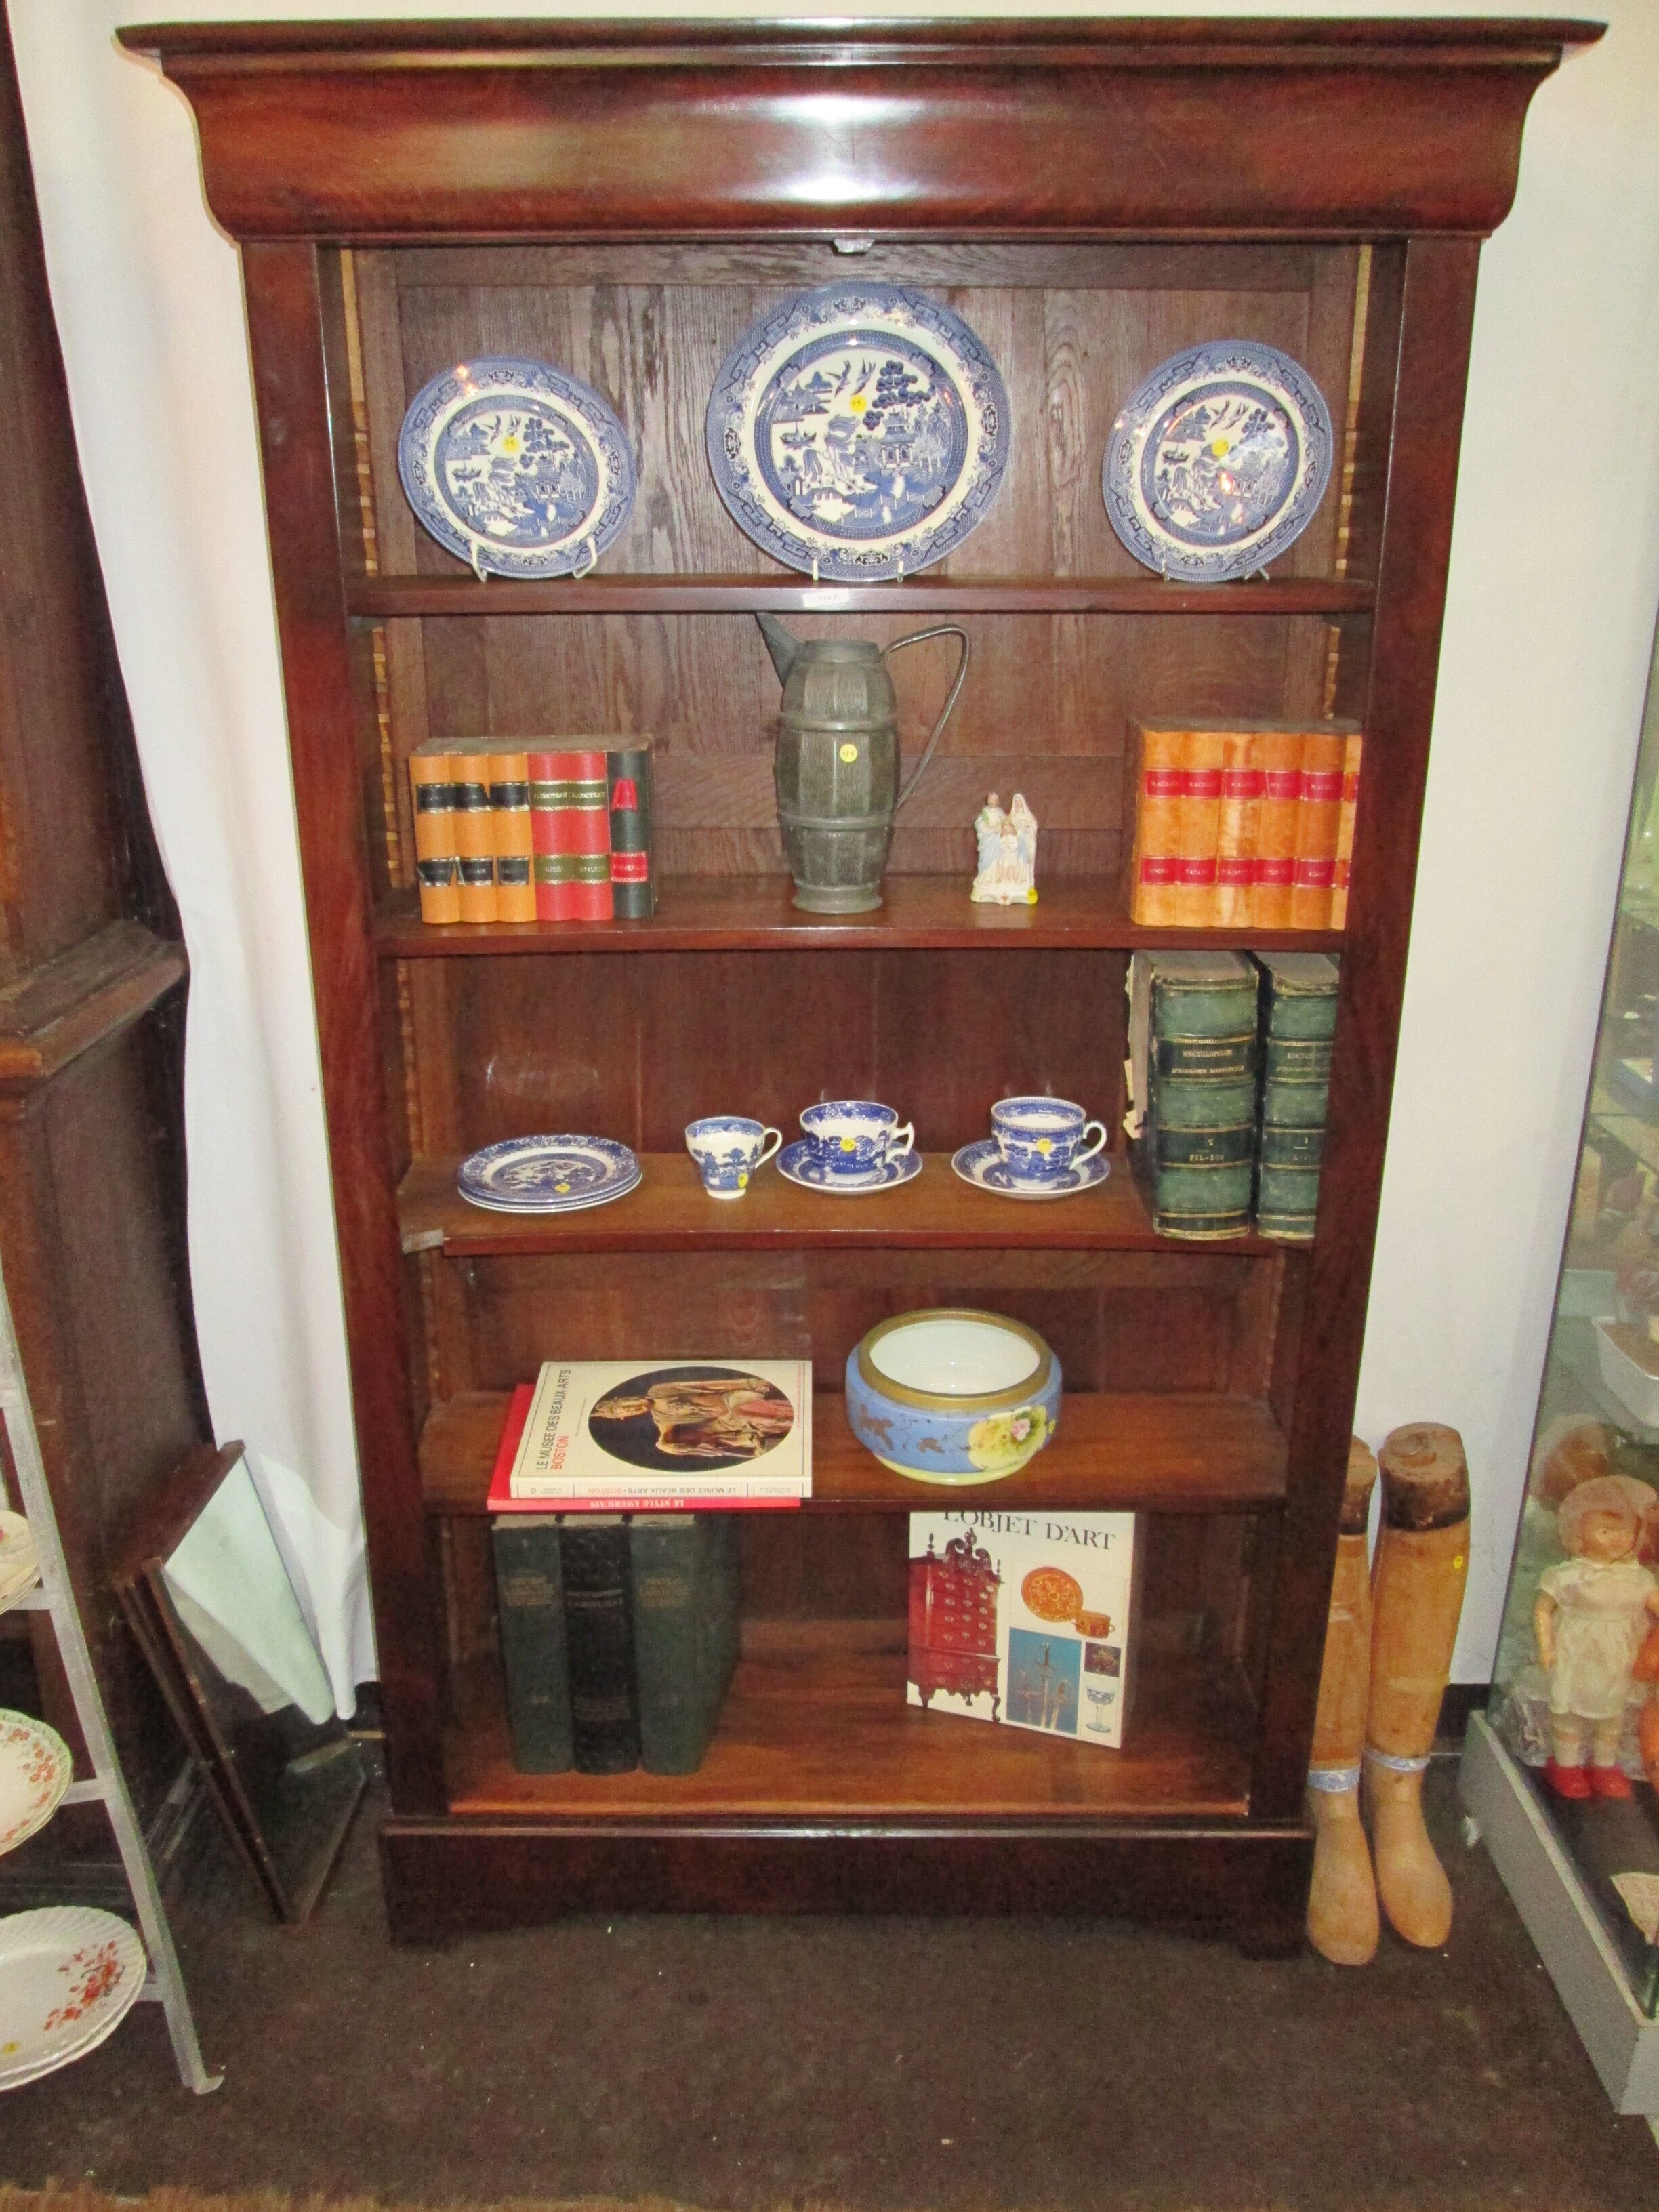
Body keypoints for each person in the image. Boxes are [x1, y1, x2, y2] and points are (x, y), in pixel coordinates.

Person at [1534, 1473, 1659, 1799]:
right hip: (1578, 1651)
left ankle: (1604, 1765)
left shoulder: (1639, 1579)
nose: (1617, 1540)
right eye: (1605, 1531)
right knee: (1571, 1711)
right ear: (1579, 1535)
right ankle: (1566, 1764)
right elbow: (1543, 1609)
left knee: (1612, 1714)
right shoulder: (1568, 1575)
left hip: (1619, 1655)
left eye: (1625, 1532)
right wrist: (1546, 1646)